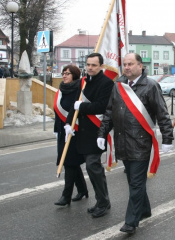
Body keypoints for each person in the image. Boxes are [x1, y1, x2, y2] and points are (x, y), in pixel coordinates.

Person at [97, 53, 174, 234]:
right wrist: (102, 133)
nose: (127, 67)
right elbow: (109, 112)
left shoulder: (151, 86)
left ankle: (131, 222)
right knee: (133, 180)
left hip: (141, 143)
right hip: (122, 141)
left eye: (131, 64)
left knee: (137, 183)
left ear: (141, 66)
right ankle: (145, 209)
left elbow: (162, 113)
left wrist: (167, 138)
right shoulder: (118, 85)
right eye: (125, 64)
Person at [65, 53, 114, 218]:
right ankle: (102, 200)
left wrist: (83, 106)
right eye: (88, 65)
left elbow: (102, 106)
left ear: (101, 66)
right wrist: (68, 122)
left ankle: (103, 202)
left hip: (97, 131)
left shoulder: (107, 83)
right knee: (93, 168)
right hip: (82, 132)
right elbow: (75, 104)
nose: (90, 68)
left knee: (93, 166)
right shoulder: (84, 81)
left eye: (94, 65)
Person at [54, 65, 88, 206]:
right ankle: (82, 189)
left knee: (69, 163)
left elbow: (78, 111)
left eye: (68, 73)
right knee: (72, 163)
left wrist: (71, 125)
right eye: (63, 73)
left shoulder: (79, 91)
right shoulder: (61, 90)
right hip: (63, 131)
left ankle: (66, 196)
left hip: (75, 131)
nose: (64, 76)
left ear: (74, 75)